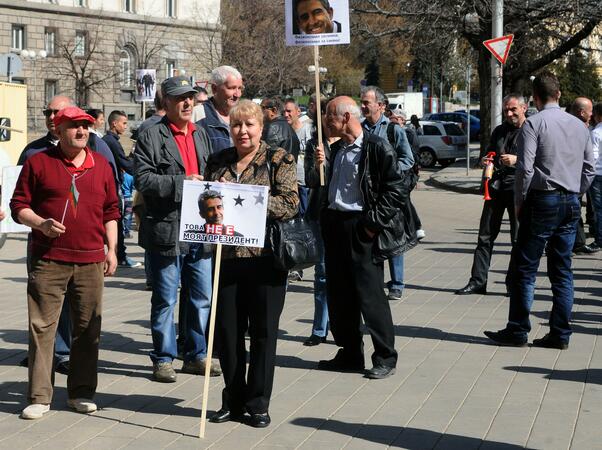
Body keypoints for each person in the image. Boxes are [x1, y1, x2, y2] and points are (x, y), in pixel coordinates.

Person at [10, 106, 120, 420]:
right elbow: (18, 204)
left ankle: (81, 393)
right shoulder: (38, 162)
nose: (82, 131)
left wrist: (111, 250)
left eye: (85, 126)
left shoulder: (101, 166)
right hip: (48, 259)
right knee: (42, 328)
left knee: (88, 329)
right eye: (74, 126)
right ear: (58, 130)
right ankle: (40, 397)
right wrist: (40, 223)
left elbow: (111, 211)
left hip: (90, 261)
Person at [205, 99, 298, 428]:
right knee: (228, 334)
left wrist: (243, 194)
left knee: (263, 334)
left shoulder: (278, 159)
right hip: (227, 259)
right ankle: (233, 398)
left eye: (249, 125)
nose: (242, 131)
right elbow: (208, 207)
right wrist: (204, 194)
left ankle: (258, 402)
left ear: (261, 127)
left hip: (266, 261)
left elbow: (290, 204)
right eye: (236, 125)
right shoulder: (218, 161)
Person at [484, 72, 594, 350]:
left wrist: (520, 202)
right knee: (562, 270)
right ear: (558, 94)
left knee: (525, 268)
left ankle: (518, 329)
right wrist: (576, 191)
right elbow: (590, 168)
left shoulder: (534, 124)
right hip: (570, 200)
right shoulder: (580, 126)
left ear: (535, 97)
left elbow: (525, 168)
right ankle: (560, 334)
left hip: (542, 200)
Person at [134, 76, 220, 383]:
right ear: (166, 102)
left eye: (191, 97)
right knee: (166, 298)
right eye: (180, 98)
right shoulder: (151, 135)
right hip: (167, 229)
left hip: (200, 229)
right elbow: (143, 180)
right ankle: (163, 357)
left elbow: (210, 172)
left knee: (202, 296)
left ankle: (196, 354)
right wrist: (184, 184)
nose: (187, 103)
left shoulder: (201, 134)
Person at [315, 96, 403, 379]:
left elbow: (396, 190)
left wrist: (371, 224)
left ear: (345, 118)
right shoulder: (337, 149)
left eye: (329, 115)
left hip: (361, 228)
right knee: (340, 295)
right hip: (335, 225)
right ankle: (350, 352)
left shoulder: (376, 147)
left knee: (370, 294)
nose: (325, 121)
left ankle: (385, 356)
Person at [455, 94, 527, 295]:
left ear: (524, 108)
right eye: (506, 110)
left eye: (513, 109)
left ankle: (513, 284)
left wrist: (516, 159)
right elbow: (490, 153)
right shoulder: (499, 130)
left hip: (518, 190)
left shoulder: (531, 130)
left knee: (517, 239)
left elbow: (539, 159)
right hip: (496, 188)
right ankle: (478, 281)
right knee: (484, 237)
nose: (509, 113)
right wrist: (489, 160)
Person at [360, 86, 416, 301]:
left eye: (367, 102)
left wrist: (391, 172)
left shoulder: (394, 130)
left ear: (381, 106)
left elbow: (408, 159)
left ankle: (397, 283)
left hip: (389, 194)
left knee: (393, 238)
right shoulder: (361, 129)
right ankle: (374, 282)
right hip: (367, 194)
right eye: (362, 102)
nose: (363, 106)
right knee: (370, 237)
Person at [303, 96, 336, 346]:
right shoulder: (315, 144)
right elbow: (311, 180)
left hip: (344, 215)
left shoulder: (349, 143)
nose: (328, 118)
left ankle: (342, 326)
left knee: (343, 274)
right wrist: (318, 164)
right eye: (324, 113)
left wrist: (332, 159)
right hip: (321, 213)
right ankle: (318, 328)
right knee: (322, 273)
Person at [103, 110, 141, 268]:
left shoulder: (108, 140)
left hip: (111, 185)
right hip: (112, 187)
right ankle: (121, 256)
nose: (126, 126)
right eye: (124, 123)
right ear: (114, 123)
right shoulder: (111, 141)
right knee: (117, 222)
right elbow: (124, 163)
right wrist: (140, 166)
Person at [568, 97, 597, 254]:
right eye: (590, 111)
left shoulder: (580, 127)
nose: (592, 114)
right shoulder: (576, 128)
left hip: (575, 179)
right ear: (581, 112)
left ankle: (578, 243)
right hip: (573, 178)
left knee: (575, 211)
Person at [197, 65, 244, 153]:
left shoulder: (244, 116)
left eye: (240, 88)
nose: (237, 94)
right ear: (215, 89)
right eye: (232, 88)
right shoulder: (197, 117)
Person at [260, 96, 301, 161]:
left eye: (263, 108)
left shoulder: (271, 128)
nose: (260, 111)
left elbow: (263, 159)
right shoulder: (291, 129)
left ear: (274, 110)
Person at [588, 103, 602, 252]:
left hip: (598, 175)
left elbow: (593, 157)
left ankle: (599, 240)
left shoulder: (596, 133)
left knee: (599, 209)